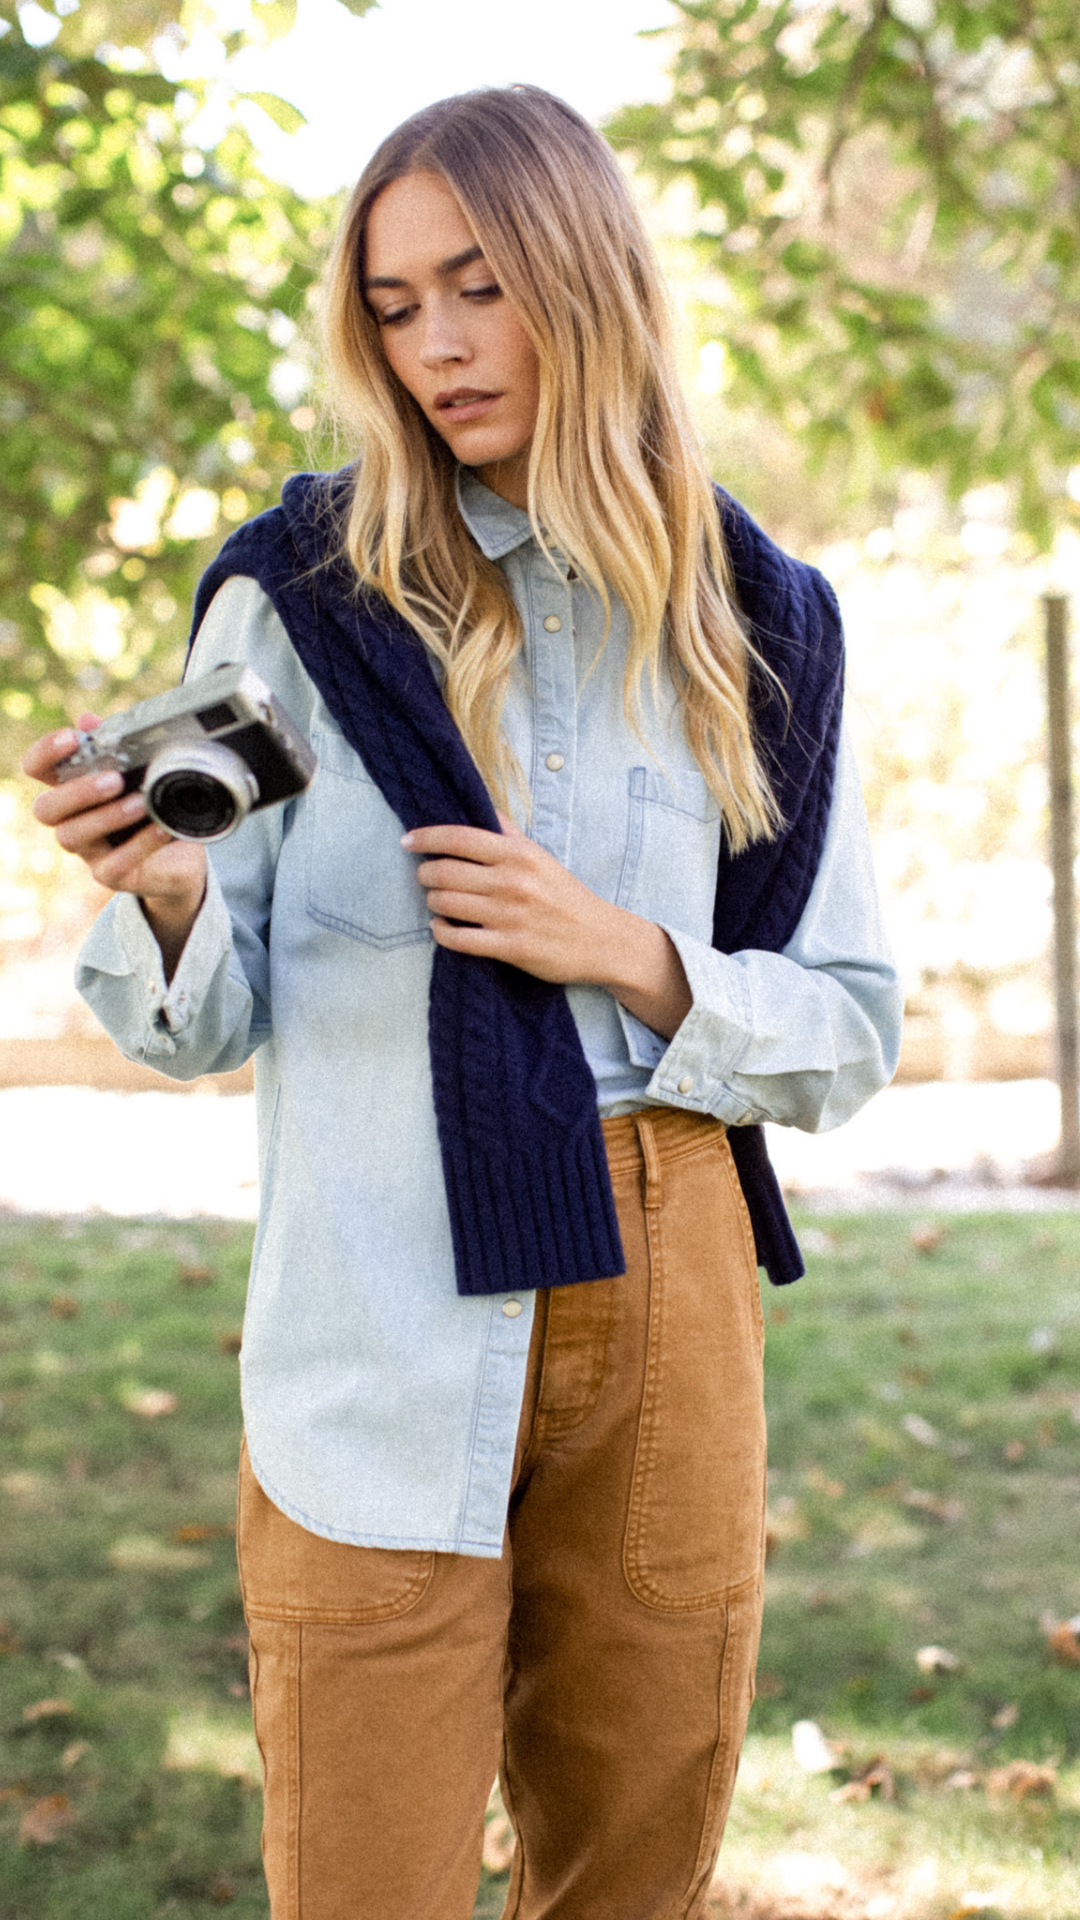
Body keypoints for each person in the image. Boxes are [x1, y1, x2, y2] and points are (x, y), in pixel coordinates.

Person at [25, 85, 902, 1920]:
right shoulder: (300, 602)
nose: (433, 346)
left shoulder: (761, 625)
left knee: (631, 1869)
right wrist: (174, 891)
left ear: (582, 281)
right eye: (395, 304)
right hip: (381, 1277)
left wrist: (630, 952)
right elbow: (194, 1021)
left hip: (669, 1277)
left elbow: (849, 1022)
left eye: (475, 286)